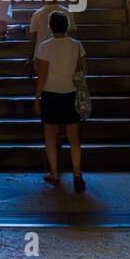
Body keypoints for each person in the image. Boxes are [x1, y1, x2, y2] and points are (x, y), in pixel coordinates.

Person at [35, 10, 86, 191]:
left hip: (50, 94)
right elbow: (82, 71)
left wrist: (36, 97)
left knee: (50, 135)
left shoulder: (44, 46)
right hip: (70, 93)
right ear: (66, 26)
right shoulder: (76, 45)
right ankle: (77, 173)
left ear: (50, 27)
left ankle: (54, 174)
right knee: (73, 137)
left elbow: (42, 75)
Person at [27, 0, 74, 77]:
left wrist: (30, 58)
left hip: (41, 55)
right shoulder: (67, 12)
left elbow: (33, 39)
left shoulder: (37, 15)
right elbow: (72, 35)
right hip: (63, 54)